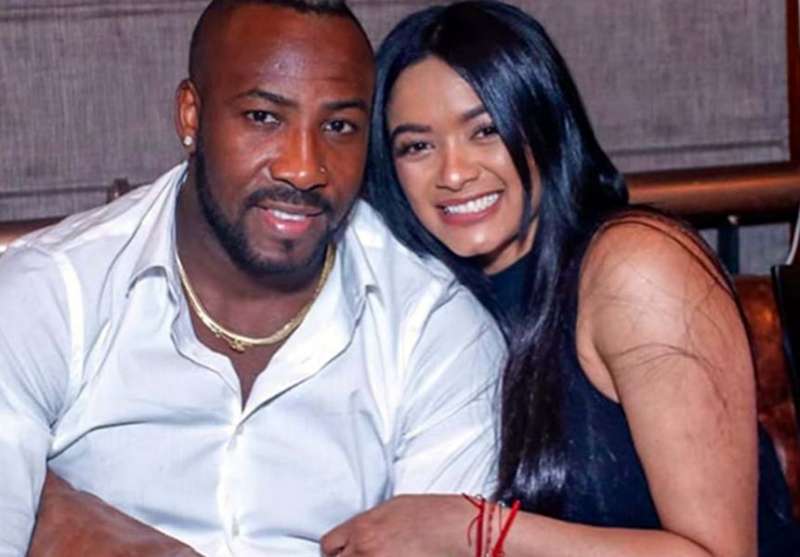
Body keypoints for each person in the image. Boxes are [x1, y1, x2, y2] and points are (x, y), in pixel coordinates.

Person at [0, 1, 505, 554]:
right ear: (191, 117)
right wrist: (51, 513)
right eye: (264, 117)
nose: (304, 168)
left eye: (338, 126)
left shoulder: (434, 329)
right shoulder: (50, 294)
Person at [321, 2, 800, 556]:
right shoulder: (418, 297)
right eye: (418, 146)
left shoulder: (636, 266)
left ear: (543, 125)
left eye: (486, 130)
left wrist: (475, 530)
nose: (453, 173)